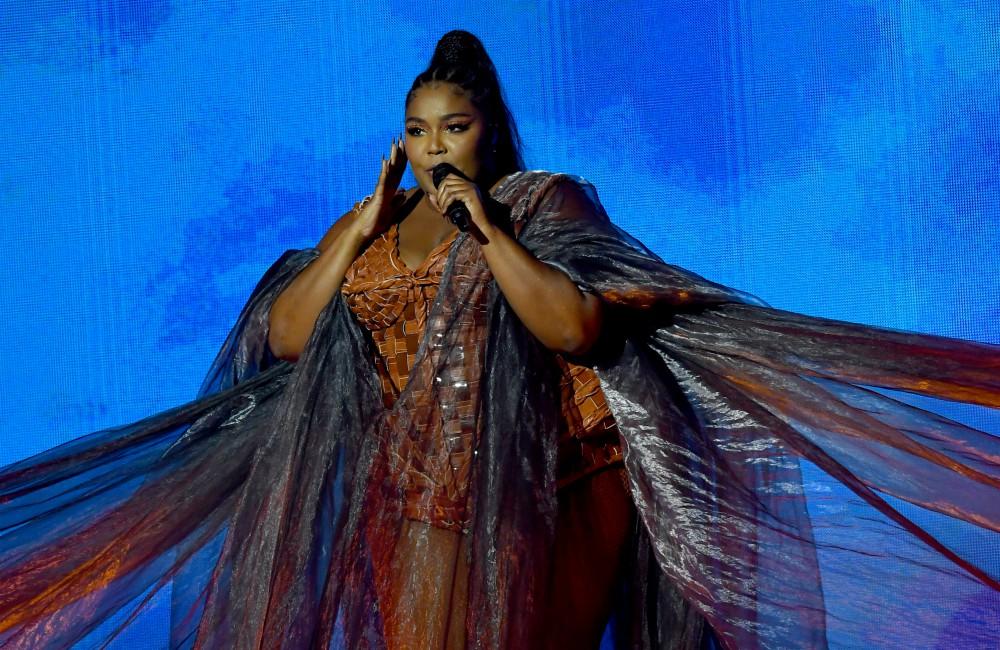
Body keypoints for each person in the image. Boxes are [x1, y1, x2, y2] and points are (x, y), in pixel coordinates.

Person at [0, 29, 998, 650]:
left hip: (548, 478)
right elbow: (291, 337)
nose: (434, 146)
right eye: (418, 129)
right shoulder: (375, 227)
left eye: (455, 127)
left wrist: (486, 228)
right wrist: (354, 230)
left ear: (487, 129)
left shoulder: (538, 200)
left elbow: (575, 324)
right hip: (411, 490)